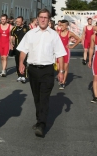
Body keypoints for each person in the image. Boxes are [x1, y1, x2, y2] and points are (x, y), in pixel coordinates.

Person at [17, 8, 67, 137]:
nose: (43, 19)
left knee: (44, 98)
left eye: (45, 17)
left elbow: (60, 54)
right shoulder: (30, 34)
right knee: (37, 97)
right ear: (37, 19)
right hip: (33, 70)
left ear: (49, 20)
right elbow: (23, 50)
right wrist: (21, 62)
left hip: (47, 70)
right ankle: (39, 120)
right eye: (41, 17)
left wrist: (61, 71)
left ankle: (42, 124)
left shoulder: (54, 35)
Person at [57, 20, 81, 90]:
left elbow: (79, 39)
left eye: (63, 25)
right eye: (60, 25)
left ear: (67, 26)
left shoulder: (69, 33)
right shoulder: (58, 33)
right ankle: (61, 77)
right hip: (59, 52)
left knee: (65, 67)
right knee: (58, 68)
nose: (61, 27)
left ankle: (63, 82)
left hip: (66, 52)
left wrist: (72, 46)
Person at [11, 16, 29, 83]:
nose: (17, 23)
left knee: (23, 62)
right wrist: (11, 44)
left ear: (22, 21)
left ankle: (24, 75)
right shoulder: (14, 28)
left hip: (24, 49)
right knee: (17, 62)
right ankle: (19, 75)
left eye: (19, 21)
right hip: (17, 48)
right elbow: (12, 36)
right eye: (16, 21)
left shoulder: (26, 28)